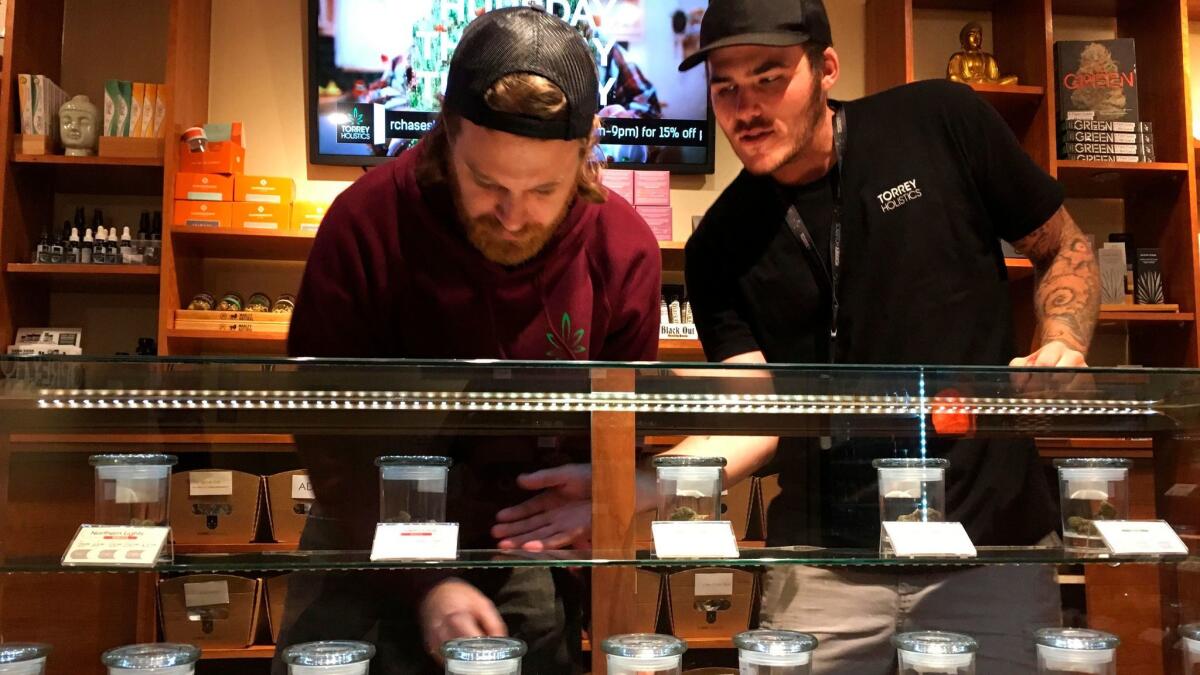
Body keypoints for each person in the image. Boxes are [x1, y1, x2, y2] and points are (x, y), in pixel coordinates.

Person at [494, 1, 1100, 672]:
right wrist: (631, 483)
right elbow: (756, 417)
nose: (745, 107)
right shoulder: (719, 243)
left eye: (769, 77)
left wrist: (1064, 340)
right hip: (824, 561)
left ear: (827, 69)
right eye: (725, 87)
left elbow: (1064, 245)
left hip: (994, 548)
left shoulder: (941, 121)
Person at [276, 7, 662, 675]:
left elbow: (621, 430)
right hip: (362, 523)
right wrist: (426, 578)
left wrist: (599, 484)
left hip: (520, 540)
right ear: (445, 133)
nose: (513, 216)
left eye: (544, 189)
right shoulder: (365, 223)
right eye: (487, 183)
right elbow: (326, 430)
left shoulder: (624, 250)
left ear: (587, 149)